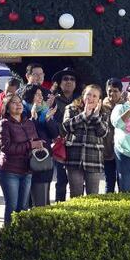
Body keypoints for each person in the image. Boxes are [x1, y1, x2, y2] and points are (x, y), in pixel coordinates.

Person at [0, 96, 41, 224]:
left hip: (27, 170)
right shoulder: (4, 123)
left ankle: (19, 239)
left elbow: (35, 140)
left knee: (23, 207)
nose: (18, 105)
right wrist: (29, 145)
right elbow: (5, 147)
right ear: (7, 108)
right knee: (12, 207)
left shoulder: (29, 122)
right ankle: (8, 239)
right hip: (9, 171)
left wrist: (38, 145)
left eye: (20, 102)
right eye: (14, 103)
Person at [61, 84, 109, 197]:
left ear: (99, 99)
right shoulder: (71, 108)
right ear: (83, 96)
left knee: (93, 196)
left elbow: (103, 133)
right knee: (75, 195)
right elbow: (66, 127)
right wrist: (83, 115)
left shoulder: (104, 112)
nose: (91, 98)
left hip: (94, 159)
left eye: (94, 96)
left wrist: (96, 117)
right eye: (88, 95)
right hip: (74, 158)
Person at [45, 68, 79, 202]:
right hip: (60, 145)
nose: (69, 81)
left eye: (72, 79)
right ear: (60, 83)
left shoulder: (81, 100)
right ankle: (60, 207)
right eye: (65, 79)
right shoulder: (53, 100)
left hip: (77, 144)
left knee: (77, 181)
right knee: (61, 181)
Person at [22, 85, 54, 207]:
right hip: (31, 157)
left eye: (41, 94)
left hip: (45, 156)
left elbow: (54, 133)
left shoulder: (45, 109)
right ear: (30, 96)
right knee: (33, 197)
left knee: (44, 195)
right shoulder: (23, 110)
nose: (41, 97)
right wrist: (33, 118)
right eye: (37, 94)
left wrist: (48, 119)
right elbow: (29, 133)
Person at [102, 79, 124, 193]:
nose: (112, 94)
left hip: (122, 149)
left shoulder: (126, 106)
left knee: (122, 181)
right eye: (110, 91)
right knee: (109, 181)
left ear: (121, 92)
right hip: (107, 149)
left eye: (115, 91)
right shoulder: (101, 107)